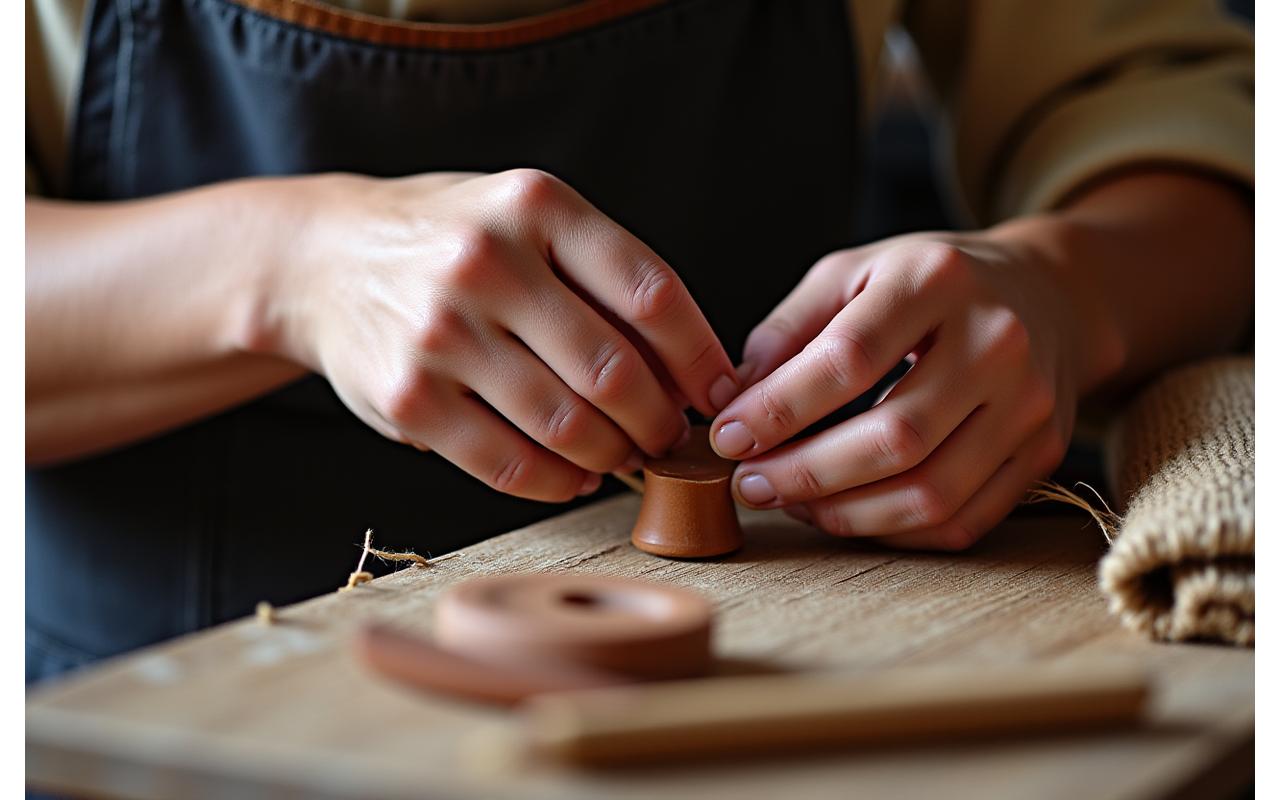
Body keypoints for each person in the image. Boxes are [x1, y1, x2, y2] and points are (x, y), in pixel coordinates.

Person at [26, 0, 1253, 681]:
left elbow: (1191, 121)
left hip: (783, 678)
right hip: (155, 707)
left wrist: (1062, 288)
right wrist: (288, 265)